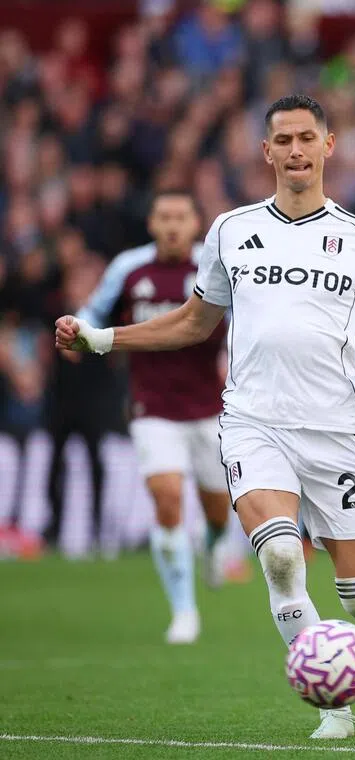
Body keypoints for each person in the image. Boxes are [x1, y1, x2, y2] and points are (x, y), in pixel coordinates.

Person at [55, 94, 355, 740]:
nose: (297, 151)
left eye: (308, 138)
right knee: (280, 556)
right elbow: (195, 322)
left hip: (337, 432)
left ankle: (343, 621)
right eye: (285, 140)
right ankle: (334, 703)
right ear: (266, 151)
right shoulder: (230, 230)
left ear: (329, 147)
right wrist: (104, 338)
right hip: (254, 423)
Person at [76, 188, 237, 644]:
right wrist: (77, 331)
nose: (171, 225)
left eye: (180, 217)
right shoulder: (129, 268)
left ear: (195, 223)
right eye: (163, 216)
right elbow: (92, 311)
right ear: (151, 223)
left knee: (217, 510)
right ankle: (184, 612)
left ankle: (212, 545)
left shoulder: (215, 262)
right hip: (152, 407)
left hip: (210, 407)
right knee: (167, 498)